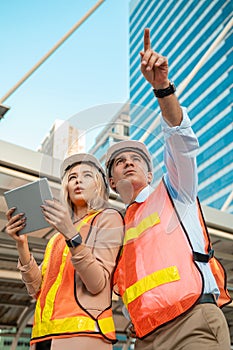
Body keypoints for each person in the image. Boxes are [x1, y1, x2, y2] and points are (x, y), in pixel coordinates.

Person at [105, 28, 231, 350]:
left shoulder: (175, 190)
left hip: (192, 323)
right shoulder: (116, 228)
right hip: (145, 338)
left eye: (137, 159)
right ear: (111, 181)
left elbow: (180, 141)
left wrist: (162, 89)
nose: (128, 163)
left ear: (150, 173)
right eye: (120, 161)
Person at [6, 153, 124, 350]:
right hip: (43, 336)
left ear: (99, 185)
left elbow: (97, 284)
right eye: (72, 177)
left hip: (84, 332)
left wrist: (71, 234)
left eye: (87, 175)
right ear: (66, 189)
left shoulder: (108, 218)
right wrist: (22, 245)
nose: (78, 180)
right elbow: (37, 290)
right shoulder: (56, 237)